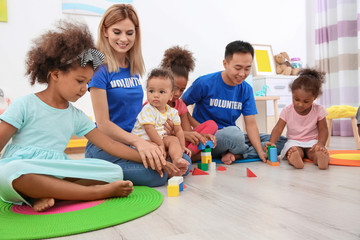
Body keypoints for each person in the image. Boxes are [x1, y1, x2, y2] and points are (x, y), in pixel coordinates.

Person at [0, 21, 135, 212]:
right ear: (55, 74)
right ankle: (95, 192)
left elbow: (110, 145)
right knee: (8, 170)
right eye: (80, 81)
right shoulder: (25, 104)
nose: (84, 88)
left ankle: (51, 192)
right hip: (21, 173)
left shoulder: (76, 116)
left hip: (57, 172)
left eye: (87, 82)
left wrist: (150, 157)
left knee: (113, 171)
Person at [84, 4, 190, 186]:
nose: (124, 39)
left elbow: (139, 113)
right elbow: (103, 125)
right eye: (117, 32)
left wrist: (157, 130)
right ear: (105, 31)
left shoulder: (133, 66)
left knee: (183, 160)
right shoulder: (98, 66)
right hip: (106, 144)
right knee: (157, 174)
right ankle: (95, 169)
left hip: (133, 140)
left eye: (129, 33)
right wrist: (140, 144)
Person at [182, 40, 286, 164]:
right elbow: (180, 105)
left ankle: (237, 155)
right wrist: (195, 129)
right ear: (225, 64)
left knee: (279, 141)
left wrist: (260, 151)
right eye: (238, 68)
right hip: (209, 137)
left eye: (247, 69)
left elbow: (251, 124)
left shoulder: (246, 89)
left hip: (231, 135)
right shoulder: (204, 83)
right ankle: (236, 151)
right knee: (234, 135)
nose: (242, 74)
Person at [160, 46, 218, 161]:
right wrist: (183, 135)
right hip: (163, 142)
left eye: (182, 90)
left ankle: (188, 154)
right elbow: (154, 133)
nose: (177, 94)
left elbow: (189, 131)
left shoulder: (180, 105)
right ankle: (188, 156)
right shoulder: (157, 103)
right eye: (175, 88)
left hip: (183, 143)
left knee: (212, 125)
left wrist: (201, 136)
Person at [265, 69, 329, 169]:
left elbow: (323, 129)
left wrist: (320, 144)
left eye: (306, 101)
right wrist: (272, 142)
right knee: (294, 151)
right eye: (296, 99)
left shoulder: (319, 110)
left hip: (312, 142)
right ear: (292, 94)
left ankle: (320, 158)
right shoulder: (287, 111)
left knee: (314, 152)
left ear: (314, 97)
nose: (300, 104)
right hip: (294, 141)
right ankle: (295, 159)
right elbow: (278, 128)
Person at [132, 68, 191, 176]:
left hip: (161, 139)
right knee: (155, 149)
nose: (155, 95)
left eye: (161, 92)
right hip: (145, 140)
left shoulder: (172, 112)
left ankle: (177, 159)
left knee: (173, 139)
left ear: (171, 95)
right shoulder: (148, 109)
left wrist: (182, 146)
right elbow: (149, 129)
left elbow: (179, 131)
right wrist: (160, 145)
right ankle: (165, 165)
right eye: (151, 91)